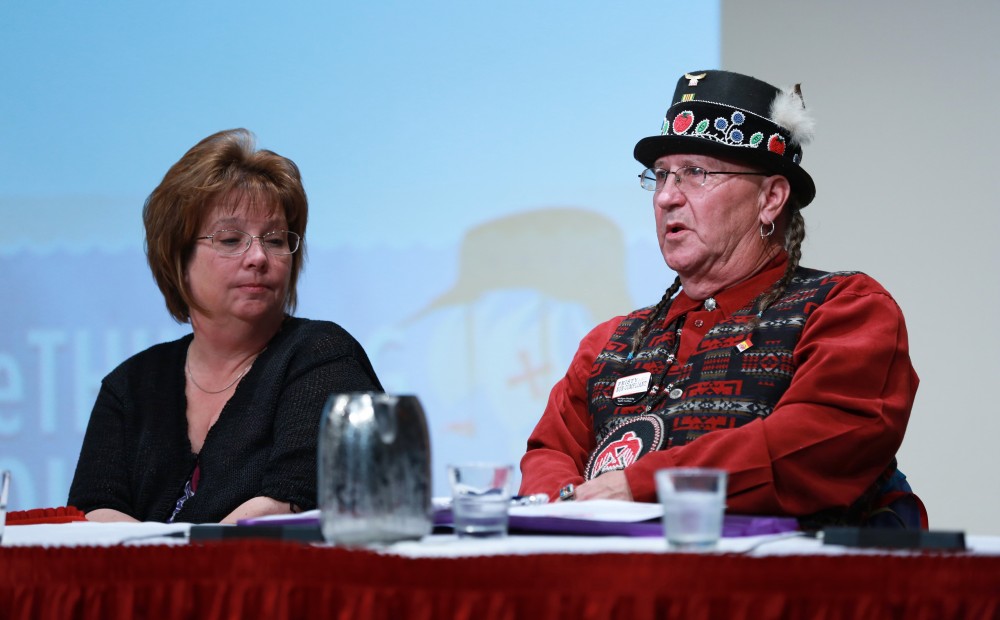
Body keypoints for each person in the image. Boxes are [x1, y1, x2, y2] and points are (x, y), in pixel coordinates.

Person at [519, 70, 923, 528]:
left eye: (695, 173)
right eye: (661, 176)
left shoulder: (844, 309)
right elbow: (550, 454)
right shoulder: (609, 342)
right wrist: (564, 514)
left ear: (770, 198)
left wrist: (646, 486)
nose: (666, 197)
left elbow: (822, 438)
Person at [68, 129, 383, 524]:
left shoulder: (322, 354)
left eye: (274, 239)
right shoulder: (130, 385)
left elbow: (295, 497)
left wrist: (180, 569)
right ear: (177, 259)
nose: (257, 257)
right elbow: (93, 510)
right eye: (231, 239)